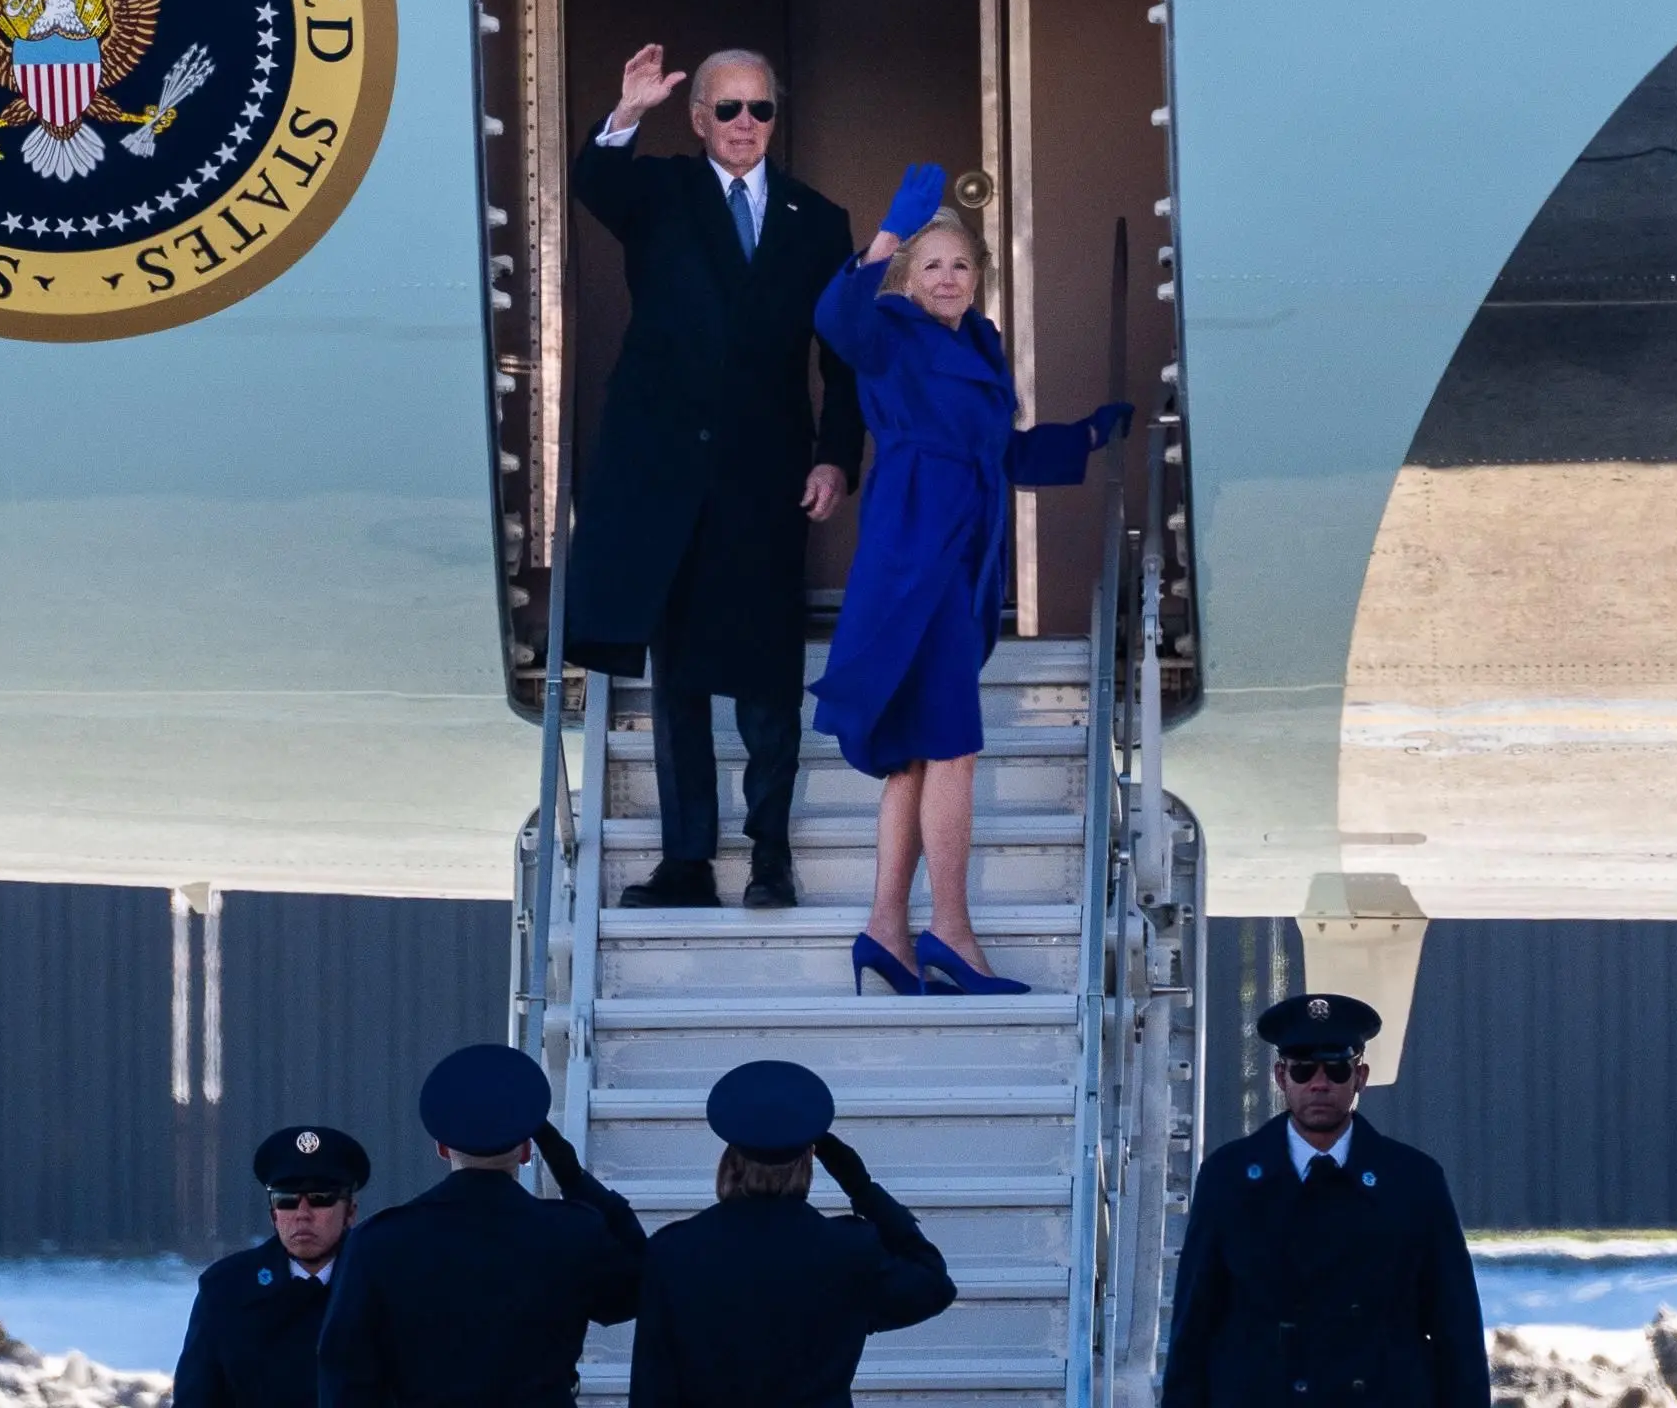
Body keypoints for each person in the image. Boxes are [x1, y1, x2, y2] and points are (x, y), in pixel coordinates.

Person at [809, 169, 1129, 994]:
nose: (946, 278)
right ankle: (949, 930)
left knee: (917, 759)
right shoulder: (889, 327)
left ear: (979, 277)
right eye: (931, 265)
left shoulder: (978, 344)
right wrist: (885, 236)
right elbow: (832, 317)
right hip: (915, 549)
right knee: (953, 751)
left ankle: (886, 929)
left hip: (961, 551)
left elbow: (1003, 453)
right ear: (909, 280)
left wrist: (1085, 436)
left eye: (960, 266)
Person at [568, 44, 864, 912]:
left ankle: (770, 854)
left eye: (759, 110)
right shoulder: (657, 190)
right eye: (727, 110)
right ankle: (686, 861)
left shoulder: (819, 218)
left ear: (777, 118)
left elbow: (840, 356)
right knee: (680, 672)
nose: (744, 126)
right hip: (665, 466)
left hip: (766, 466)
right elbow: (595, 182)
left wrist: (836, 456)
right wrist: (624, 112)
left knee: (769, 671)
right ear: (698, 118)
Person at [1160, 994, 1488, 1408]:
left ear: (1360, 1077)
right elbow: (1194, 1325)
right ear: (1280, 1077)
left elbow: (1455, 1327)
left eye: (1335, 1069)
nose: (1319, 1084)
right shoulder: (1229, 1178)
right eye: (1302, 1070)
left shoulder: (1412, 1182)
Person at [317, 1044, 644, 1408]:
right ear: (524, 1150)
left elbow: (344, 1375)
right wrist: (573, 1178)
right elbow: (638, 1288)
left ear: (441, 1147)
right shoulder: (573, 1233)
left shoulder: (379, 1242)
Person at [629, 1059, 955, 1408]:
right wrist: (862, 1189)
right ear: (808, 1162)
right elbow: (934, 1284)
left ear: (730, 1162)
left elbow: (652, 1388)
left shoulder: (674, 1252)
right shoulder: (850, 1250)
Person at [177, 1125, 372, 1408]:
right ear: (273, 1214)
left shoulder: (384, 1284)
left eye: (320, 1199)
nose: (303, 1215)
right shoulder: (226, 1291)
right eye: (287, 1201)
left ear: (350, 1212)